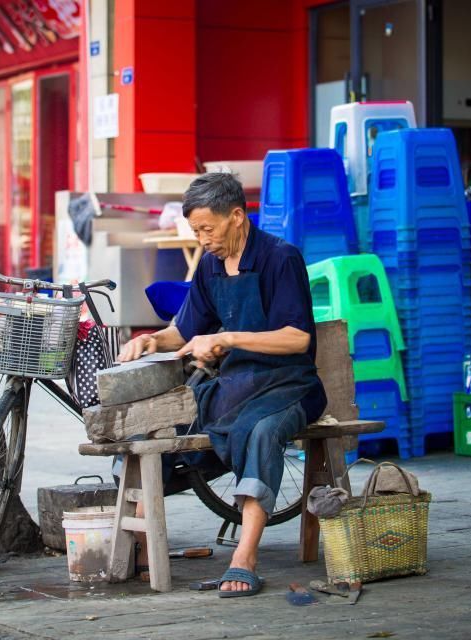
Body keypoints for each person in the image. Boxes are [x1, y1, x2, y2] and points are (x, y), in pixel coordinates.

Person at [117, 173, 326, 597]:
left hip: (290, 384)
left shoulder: (279, 258)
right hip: (239, 384)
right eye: (196, 231)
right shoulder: (211, 265)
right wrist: (153, 339)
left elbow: (298, 337)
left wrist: (227, 338)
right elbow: (188, 329)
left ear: (236, 216)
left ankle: (244, 555)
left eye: (207, 229)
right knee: (156, 426)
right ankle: (140, 549)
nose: (203, 239)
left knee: (262, 432)